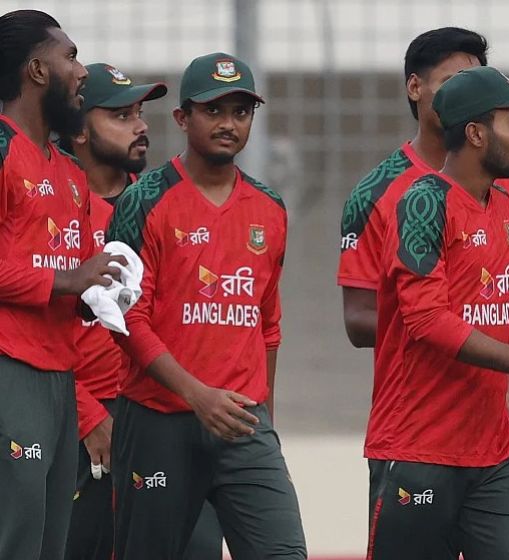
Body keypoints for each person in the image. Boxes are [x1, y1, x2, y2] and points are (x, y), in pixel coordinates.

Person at [337, 28, 509, 558]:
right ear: (475, 133)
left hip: (499, 443)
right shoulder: (419, 201)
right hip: (419, 444)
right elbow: (421, 319)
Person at [106, 52, 306, 559]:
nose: (228, 124)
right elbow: (125, 318)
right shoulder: (143, 200)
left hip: (243, 423)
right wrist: (197, 396)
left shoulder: (270, 207)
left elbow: (268, 324)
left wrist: (264, 417)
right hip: (158, 421)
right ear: (182, 117)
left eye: (241, 112)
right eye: (213, 110)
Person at [59, 61, 225, 560]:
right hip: (82, 422)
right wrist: (88, 417)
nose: (139, 126)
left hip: (165, 412)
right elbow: (25, 331)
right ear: (79, 130)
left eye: (139, 113)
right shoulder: (54, 208)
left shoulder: (161, 204)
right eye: (120, 116)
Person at [0, 9, 128, 559]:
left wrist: (101, 294)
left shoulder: (71, 174)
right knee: (16, 536)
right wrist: (69, 278)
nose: (81, 72)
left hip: (60, 376)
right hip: (11, 368)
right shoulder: (2, 150)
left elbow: (72, 282)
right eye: (71, 57)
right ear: (36, 70)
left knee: (51, 542)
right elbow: (60, 275)